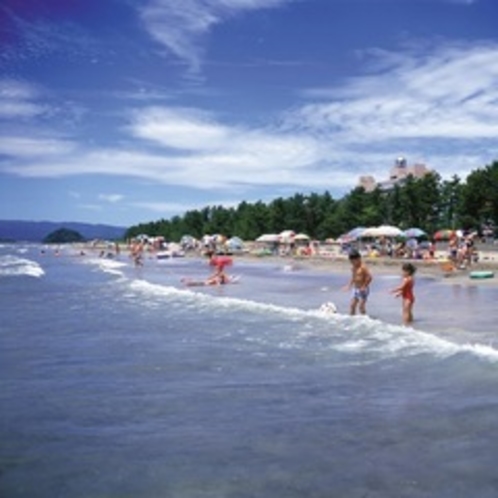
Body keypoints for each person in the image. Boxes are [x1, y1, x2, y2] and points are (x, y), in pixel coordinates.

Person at [344, 249, 372, 315]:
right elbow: (353, 277)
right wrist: (349, 285)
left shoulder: (363, 267)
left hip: (363, 289)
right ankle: (352, 319)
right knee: (352, 305)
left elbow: (370, 277)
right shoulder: (353, 267)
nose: (352, 263)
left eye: (353, 261)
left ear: (359, 259)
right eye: (351, 261)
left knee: (361, 306)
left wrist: (364, 286)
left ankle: (364, 318)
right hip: (355, 288)